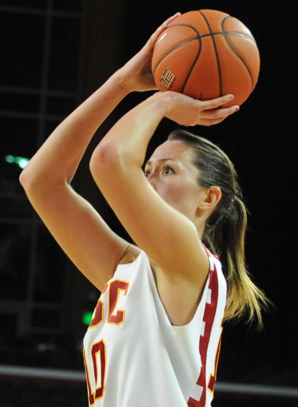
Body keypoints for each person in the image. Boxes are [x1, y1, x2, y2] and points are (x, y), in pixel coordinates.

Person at [20, 13, 269, 407]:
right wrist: (122, 82)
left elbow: (109, 160)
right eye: (147, 167)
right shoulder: (130, 271)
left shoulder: (190, 258)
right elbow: (40, 181)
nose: (148, 178)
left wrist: (163, 99)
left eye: (167, 170)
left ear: (209, 198)